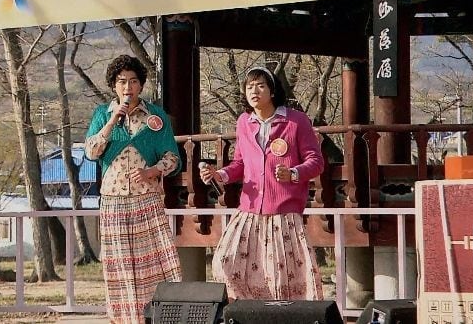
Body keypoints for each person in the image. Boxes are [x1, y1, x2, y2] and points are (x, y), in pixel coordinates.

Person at [200, 66, 324, 301]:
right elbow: (240, 163)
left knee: (281, 278)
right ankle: (247, 311)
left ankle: (283, 315)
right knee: (224, 263)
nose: (254, 91)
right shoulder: (244, 122)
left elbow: (316, 162)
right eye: (249, 87)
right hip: (249, 211)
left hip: (284, 213)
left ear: (272, 90)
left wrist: (293, 173)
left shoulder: (296, 121)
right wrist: (219, 175)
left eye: (260, 85)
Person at [85, 55, 182, 323]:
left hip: (147, 199)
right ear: (113, 85)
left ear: (141, 84)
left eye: (133, 81)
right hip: (114, 201)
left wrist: (153, 170)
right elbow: (91, 152)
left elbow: (173, 157)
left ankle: (164, 316)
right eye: (121, 82)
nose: (127, 87)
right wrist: (110, 123)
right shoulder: (102, 114)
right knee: (121, 267)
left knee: (157, 262)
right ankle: (126, 318)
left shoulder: (155, 117)